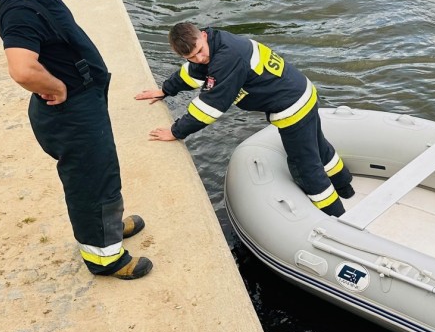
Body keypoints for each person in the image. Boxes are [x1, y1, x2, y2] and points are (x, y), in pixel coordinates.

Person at [0, 0, 152, 280]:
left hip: (84, 104)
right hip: (71, 114)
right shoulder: (20, 10)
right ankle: (105, 258)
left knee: (103, 172)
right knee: (91, 182)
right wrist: (57, 87)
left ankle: (109, 226)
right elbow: (22, 69)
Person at [136, 23, 354, 216]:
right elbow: (191, 73)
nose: (199, 59)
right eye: (191, 57)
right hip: (302, 92)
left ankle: (337, 218)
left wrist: (175, 131)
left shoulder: (227, 59)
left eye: (199, 52)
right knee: (320, 148)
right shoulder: (215, 43)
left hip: (292, 108)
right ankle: (346, 189)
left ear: (202, 35)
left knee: (306, 168)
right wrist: (165, 90)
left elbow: (209, 109)